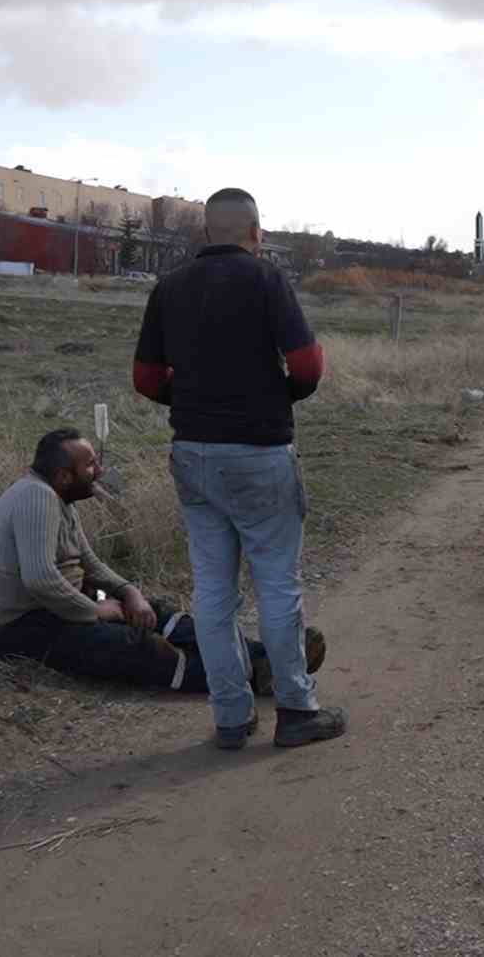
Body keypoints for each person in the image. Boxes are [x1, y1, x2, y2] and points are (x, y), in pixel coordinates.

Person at [133, 187, 345, 751]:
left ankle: (230, 718)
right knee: (276, 585)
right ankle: (296, 710)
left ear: (206, 232)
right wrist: (276, 397)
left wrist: (192, 400)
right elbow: (307, 365)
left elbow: (146, 379)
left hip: (193, 455)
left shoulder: (169, 287)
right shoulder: (266, 278)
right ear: (256, 232)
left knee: (212, 592)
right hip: (259, 453)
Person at [0, 429, 327, 698]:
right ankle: (248, 675)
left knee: (158, 615)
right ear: (64, 475)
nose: (99, 470)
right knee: (134, 645)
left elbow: (88, 562)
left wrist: (129, 593)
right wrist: (94, 610)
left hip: (57, 605)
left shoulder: (58, 496)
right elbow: (40, 579)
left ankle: (269, 659)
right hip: (20, 625)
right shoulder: (37, 498)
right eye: (90, 465)